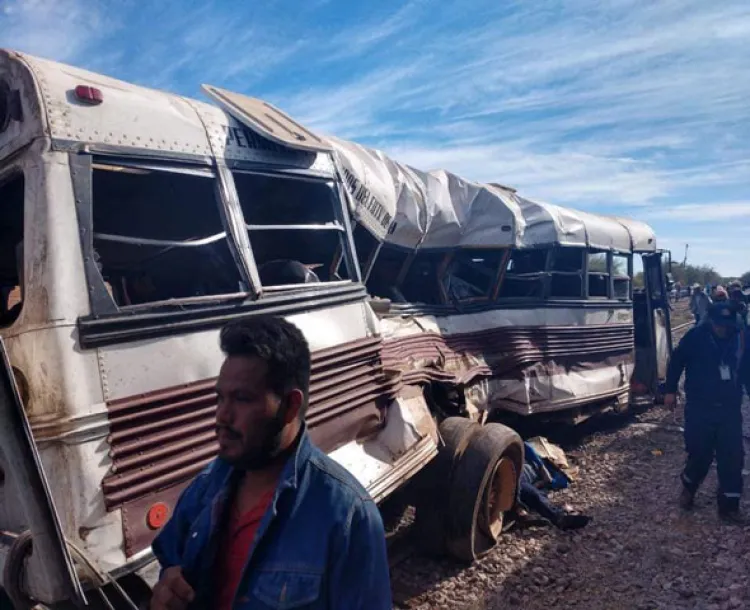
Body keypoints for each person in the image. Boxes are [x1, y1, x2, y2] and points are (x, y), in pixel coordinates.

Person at [150, 316, 391, 610]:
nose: (222, 417)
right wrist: (168, 585)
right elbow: (170, 558)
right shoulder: (208, 484)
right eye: (220, 398)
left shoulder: (347, 516)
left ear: (290, 405)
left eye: (241, 399)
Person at [664, 302, 750, 524]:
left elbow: (747, 369)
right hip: (699, 406)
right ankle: (689, 488)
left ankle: (729, 507)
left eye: (728, 325)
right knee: (700, 453)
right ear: (711, 321)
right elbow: (676, 362)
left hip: (729, 407)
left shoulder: (741, 338)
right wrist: (670, 390)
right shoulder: (695, 337)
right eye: (720, 325)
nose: (724, 329)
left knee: (733, 457)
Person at [517, 442, 591, 531]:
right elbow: (525, 446)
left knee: (531, 494)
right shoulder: (540, 459)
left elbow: (557, 482)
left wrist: (543, 477)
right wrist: (542, 470)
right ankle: (557, 517)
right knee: (530, 493)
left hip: (522, 477)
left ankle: (558, 517)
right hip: (516, 476)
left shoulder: (552, 469)